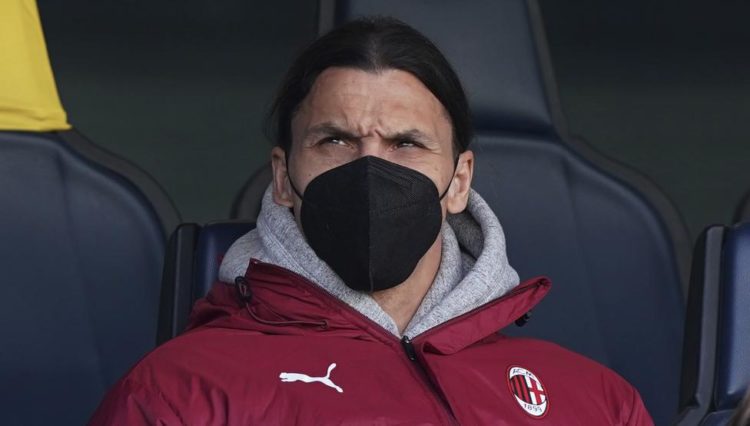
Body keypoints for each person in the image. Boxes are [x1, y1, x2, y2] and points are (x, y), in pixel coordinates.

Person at [89, 17, 653, 425]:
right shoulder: (177, 394)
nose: (371, 170)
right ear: (283, 177)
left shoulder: (597, 402)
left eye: (406, 143)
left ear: (459, 181)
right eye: (336, 140)